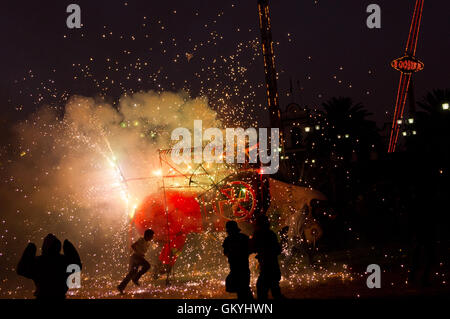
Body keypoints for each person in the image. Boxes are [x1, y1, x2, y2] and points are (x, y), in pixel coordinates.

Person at [17, 233, 82, 299]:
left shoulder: (38, 262)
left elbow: (21, 270)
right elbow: (77, 266)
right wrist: (69, 247)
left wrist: (30, 250)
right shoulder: (64, 261)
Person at [251, 215, 284, 299]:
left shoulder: (258, 233)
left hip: (266, 266)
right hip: (274, 265)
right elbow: (278, 249)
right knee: (275, 289)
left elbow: (253, 247)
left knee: (262, 289)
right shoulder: (271, 233)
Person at [222, 221, 253, 300]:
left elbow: (226, 253)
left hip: (236, 269)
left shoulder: (228, 240)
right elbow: (250, 249)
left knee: (242, 291)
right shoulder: (244, 237)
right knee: (244, 290)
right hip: (244, 268)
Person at [118, 229, 154, 294]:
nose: (152, 237)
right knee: (147, 265)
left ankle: (121, 286)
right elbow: (133, 246)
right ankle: (136, 278)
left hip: (138, 258)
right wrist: (138, 252)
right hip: (136, 257)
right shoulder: (141, 240)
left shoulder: (148, 243)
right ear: (148, 236)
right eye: (152, 236)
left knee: (132, 273)